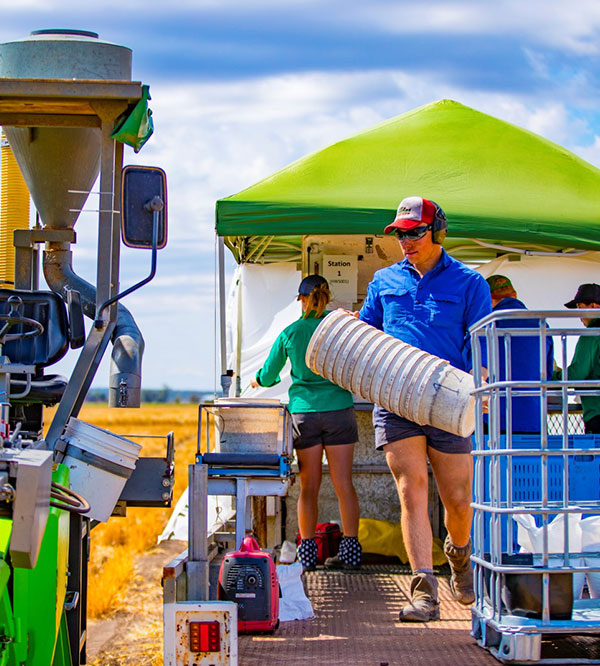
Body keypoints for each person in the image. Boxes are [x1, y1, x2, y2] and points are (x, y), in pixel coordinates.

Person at [359, 196, 491, 622]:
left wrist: (483, 382)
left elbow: (482, 346)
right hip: (396, 402)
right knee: (411, 488)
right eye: (400, 233)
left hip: (450, 403)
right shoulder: (383, 282)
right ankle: (423, 591)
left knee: (457, 500)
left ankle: (458, 553)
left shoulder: (471, 284)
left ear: (438, 232)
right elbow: (365, 337)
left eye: (415, 232)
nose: (406, 241)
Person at [251, 275, 361, 571]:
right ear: (327, 297)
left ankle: (308, 554)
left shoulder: (291, 331)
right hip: (339, 410)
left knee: (309, 487)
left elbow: (269, 374)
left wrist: (259, 379)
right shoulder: (340, 328)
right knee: (344, 485)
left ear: (301, 299)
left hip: (305, 415)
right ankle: (351, 553)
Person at [486, 275, 554, 433]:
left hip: (493, 417)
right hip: (533, 415)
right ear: (514, 294)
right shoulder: (542, 324)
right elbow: (548, 372)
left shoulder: (486, 325)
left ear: (488, 297)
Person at [563, 283, 600, 434]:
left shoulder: (591, 334)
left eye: (580, 307)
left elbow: (577, 374)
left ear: (594, 306)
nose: (579, 314)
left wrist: (551, 375)